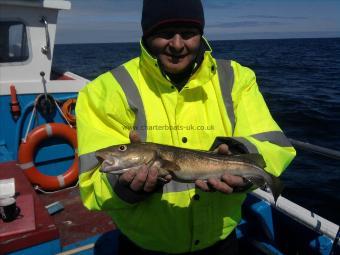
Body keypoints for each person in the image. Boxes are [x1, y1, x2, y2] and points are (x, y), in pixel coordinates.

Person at [75, 0, 296, 254]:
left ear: (201, 35)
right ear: (147, 36)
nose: (178, 45)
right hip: (145, 246)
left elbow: (272, 143)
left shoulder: (238, 78)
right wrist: (125, 188)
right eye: (165, 34)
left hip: (220, 241)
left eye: (189, 34)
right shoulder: (105, 91)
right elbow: (92, 184)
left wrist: (240, 161)